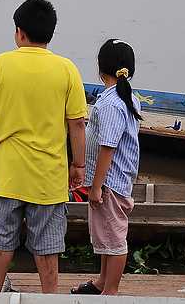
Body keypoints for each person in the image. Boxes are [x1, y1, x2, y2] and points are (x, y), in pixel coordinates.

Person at [0, 0, 87, 293]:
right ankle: (51, 298)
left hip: (8, 174)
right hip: (48, 177)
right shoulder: (67, 69)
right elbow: (77, 124)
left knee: (0, 242)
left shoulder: (1, 64)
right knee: (47, 247)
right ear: (50, 33)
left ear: (19, 33)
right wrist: (79, 165)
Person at [71, 39, 142, 296]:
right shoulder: (126, 97)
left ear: (101, 70)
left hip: (109, 182)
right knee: (104, 234)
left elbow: (108, 147)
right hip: (112, 179)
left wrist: (97, 186)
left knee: (114, 238)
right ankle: (102, 280)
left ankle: (110, 291)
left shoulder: (112, 104)